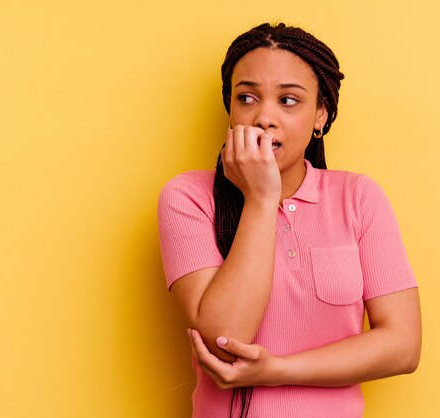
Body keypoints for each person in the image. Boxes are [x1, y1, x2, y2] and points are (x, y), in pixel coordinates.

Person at [157, 22, 421, 418]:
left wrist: (277, 371)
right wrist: (261, 199)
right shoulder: (188, 198)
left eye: (288, 100)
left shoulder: (359, 198)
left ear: (320, 116)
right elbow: (223, 338)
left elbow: (403, 345)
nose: (264, 117)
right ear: (230, 109)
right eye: (246, 97)